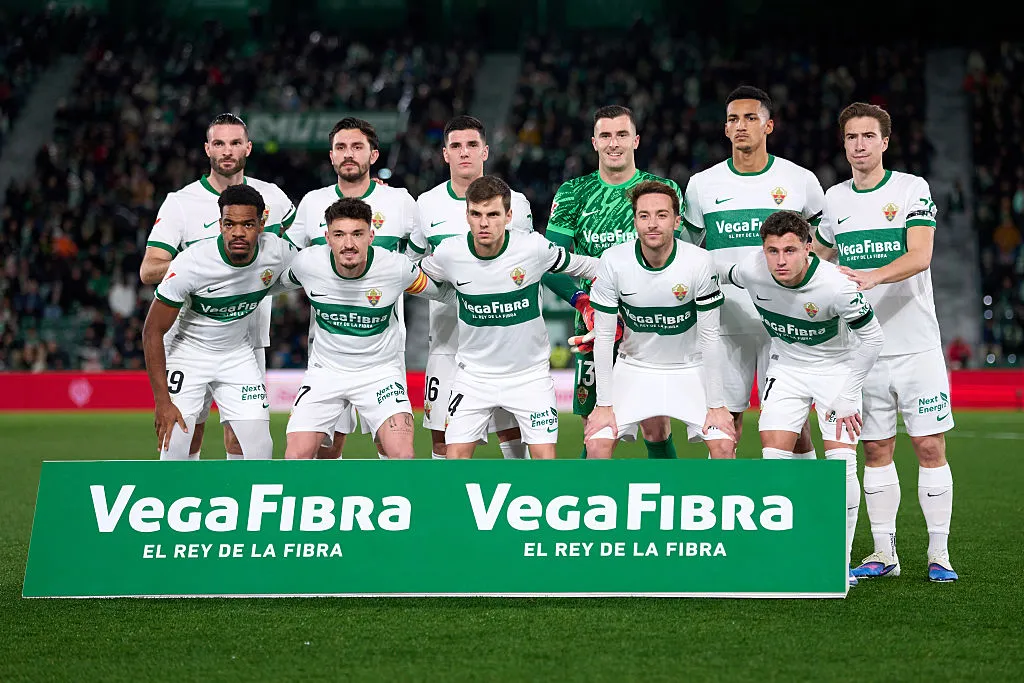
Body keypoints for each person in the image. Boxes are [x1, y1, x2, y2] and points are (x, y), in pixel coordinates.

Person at [814, 102, 958, 582]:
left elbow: (920, 254)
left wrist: (870, 277)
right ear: (844, 143)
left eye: (868, 136)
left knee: (929, 446)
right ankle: (883, 554)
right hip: (863, 349)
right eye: (851, 137)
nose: (859, 145)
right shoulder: (834, 199)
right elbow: (817, 255)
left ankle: (939, 555)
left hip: (916, 345)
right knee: (875, 450)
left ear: (884, 142)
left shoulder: (911, 188)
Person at [725, 210, 884, 586]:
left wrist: (848, 394)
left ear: (808, 248)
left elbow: (873, 338)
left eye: (790, 250)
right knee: (773, 458)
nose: (780, 260)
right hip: (787, 368)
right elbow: (716, 271)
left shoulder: (837, 286)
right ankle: (786, 548)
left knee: (842, 465)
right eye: (772, 251)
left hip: (836, 372)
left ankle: (837, 561)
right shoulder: (751, 270)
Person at [139, 113, 296, 459]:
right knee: (189, 432)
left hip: (249, 334)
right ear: (207, 149)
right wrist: (206, 268)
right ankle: (184, 490)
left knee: (243, 438)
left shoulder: (273, 198)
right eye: (219, 143)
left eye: (235, 143)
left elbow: (298, 249)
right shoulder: (181, 203)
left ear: (248, 148)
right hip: (190, 332)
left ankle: (242, 493)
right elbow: (149, 270)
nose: (227, 151)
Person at [682, 86, 826, 458]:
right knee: (723, 425)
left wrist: (808, 284)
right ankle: (724, 496)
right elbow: (685, 251)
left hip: (785, 322)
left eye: (750, 118)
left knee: (793, 427)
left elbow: (825, 238)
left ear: (769, 125)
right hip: (725, 321)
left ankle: (803, 496)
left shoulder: (799, 180)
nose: (741, 125)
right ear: (725, 129)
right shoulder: (702, 185)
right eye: (733, 119)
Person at [419, 176, 599, 459]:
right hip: (474, 377)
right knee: (454, 458)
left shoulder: (533, 248)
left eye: (493, 214)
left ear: (509, 216)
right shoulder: (449, 254)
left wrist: (627, 280)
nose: (484, 223)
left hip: (529, 377)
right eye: (476, 214)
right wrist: (448, 297)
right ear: (466, 215)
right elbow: (414, 277)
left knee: (545, 458)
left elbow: (586, 266)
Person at [544, 105, 682, 459]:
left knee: (656, 425)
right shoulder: (574, 192)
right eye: (605, 135)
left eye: (622, 134)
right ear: (594, 142)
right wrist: (583, 303)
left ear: (636, 140)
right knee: (598, 432)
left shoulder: (662, 190)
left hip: (650, 327)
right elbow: (549, 263)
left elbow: (679, 261)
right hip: (594, 328)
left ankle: (669, 495)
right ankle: (588, 498)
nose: (613, 143)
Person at [275, 197, 451, 459]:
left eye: (357, 234)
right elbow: (270, 285)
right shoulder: (307, 264)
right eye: (339, 235)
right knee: (295, 457)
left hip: (379, 373)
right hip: (326, 373)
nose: (348, 244)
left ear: (371, 236)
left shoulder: (396, 267)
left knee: (403, 455)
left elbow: (443, 293)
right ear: (327, 238)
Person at [288, 117, 420, 458]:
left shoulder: (399, 201)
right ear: (331, 156)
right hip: (326, 348)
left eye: (357, 147)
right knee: (328, 449)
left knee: (390, 447)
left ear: (373, 155)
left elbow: (420, 258)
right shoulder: (312, 203)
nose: (349, 154)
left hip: (383, 350)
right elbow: (288, 261)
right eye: (341, 147)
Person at [409, 116, 533, 460]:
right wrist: (450, 295)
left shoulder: (516, 202)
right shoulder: (426, 204)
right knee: (443, 440)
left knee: (512, 435)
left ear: (485, 151)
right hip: (448, 340)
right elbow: (413, 269)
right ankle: (446, 497)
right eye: (456, 146)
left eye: (472, 145)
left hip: (503, 342)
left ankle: (522, 495)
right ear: (445, 154)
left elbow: (526, 266)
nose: (464, 152)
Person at [583, 181, 736, 458]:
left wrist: (716, 404)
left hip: (690, 368)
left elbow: (710, 337)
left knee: (724, 444)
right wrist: (603, 404)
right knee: (596, 443)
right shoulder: (613, 261)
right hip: (634, 367)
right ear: (635, 221)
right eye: (644, 216)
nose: (652, 224)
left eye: (661, 215)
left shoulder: (699, 261)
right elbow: (604, 338)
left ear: (677, 221)